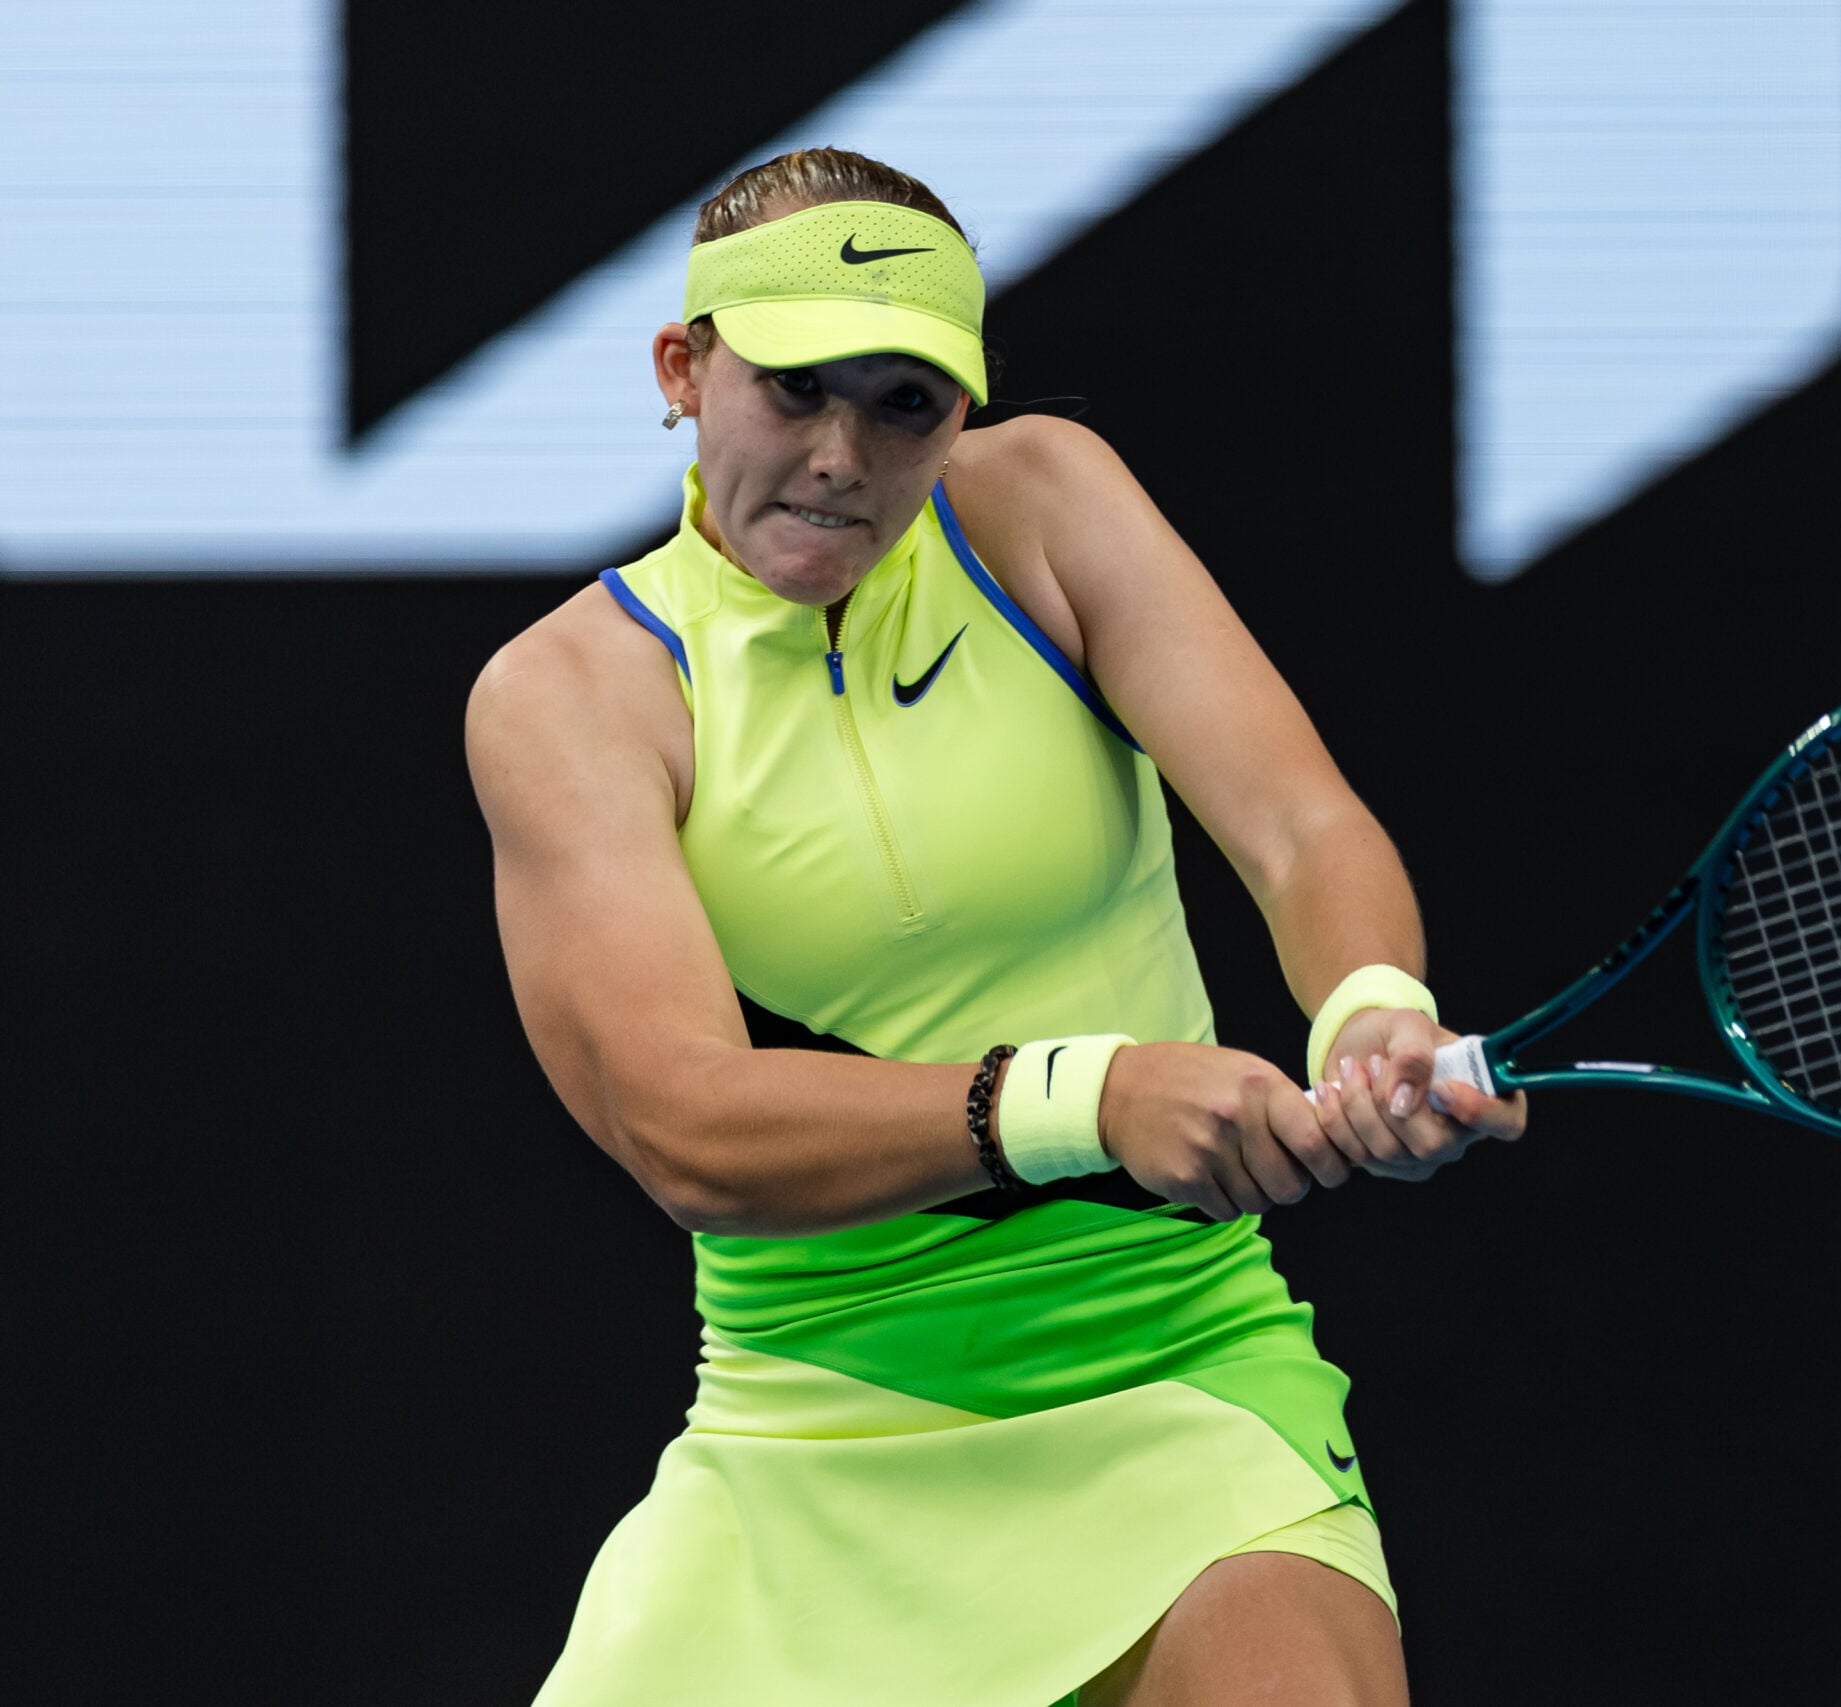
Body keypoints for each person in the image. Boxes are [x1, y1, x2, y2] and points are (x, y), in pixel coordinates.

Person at [466, 146, 1525, 1707]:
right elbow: (687, 1130)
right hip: (812, 1434)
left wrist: (1372, 1008)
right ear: (684, 371)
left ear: (964, 408)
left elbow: (1302, 826)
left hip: (1178, 1379)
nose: (842, 454)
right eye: (796, 389)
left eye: (905, 403)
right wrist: (1085, 1096)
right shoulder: (574, 696)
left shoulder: (1042, 510)